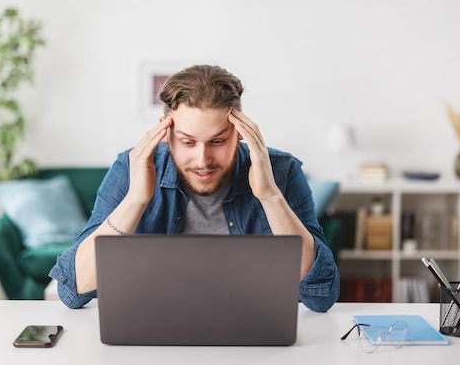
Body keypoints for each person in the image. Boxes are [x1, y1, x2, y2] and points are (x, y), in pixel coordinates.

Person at [49, 64, 339, 312]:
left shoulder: (282, 171)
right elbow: (73, 289)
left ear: (239, 133)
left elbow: (321, 294)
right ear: (165, 132)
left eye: (217, 141)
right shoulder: (131, 167)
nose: (203, 160)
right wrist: (136, 200)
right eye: (188, 142)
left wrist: (270, 196)